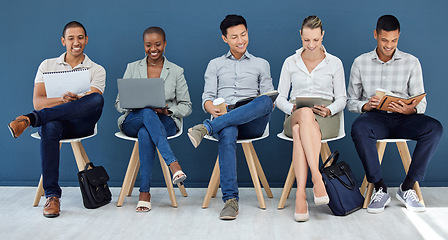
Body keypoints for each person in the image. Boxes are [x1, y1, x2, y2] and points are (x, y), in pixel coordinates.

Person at [7, 21, 106, 218]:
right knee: (51, 125)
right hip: (56, 124)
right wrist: (62, 99)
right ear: (63, 41)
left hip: (82, 124)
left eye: (80, 38)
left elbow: (92, 100)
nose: (75, 42)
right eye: (71, 38)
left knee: (96, 99)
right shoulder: (47, 65)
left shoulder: (97, 69)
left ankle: (30, 120)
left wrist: (76, 101)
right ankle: (52, 196)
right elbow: (38, 101)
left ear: (86, 40)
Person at [347, 15, 443, 213]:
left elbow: (421, 100)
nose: (389, 45)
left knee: (434, 128)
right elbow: (350, 102)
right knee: (359, 127)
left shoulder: (411, 62)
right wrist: (366, 105)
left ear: (398, 37)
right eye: (384, 40)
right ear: (375, 35)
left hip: (404, 118)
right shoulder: (360, 62)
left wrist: (412, 109)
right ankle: (379, 188)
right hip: (375, 118)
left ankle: (407, 187)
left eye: (394, 40)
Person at [187, 15, 274, 220]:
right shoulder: (214, 65)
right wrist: (212, 108)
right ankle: (230, 201)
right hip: (224, 117)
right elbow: (207, 99)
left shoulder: (261, 64)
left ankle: (206, 127)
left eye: (243, 34)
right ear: (225, 39)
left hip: (253, 121)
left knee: (265, 101)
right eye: (234, 37)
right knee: (227, 129)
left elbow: (270, 98)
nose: (240, 40)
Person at [276, 16, 346, 222]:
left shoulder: (335, 63)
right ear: (301, 35)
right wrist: (293, 107)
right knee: (304, 114)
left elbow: (342, 98)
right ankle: (317, 178)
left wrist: (330, 110)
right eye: (307, 40)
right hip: (296, 113)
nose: (312, 45)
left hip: (325, 118)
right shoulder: (290, 62)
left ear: (322, 35)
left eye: (316, 39)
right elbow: (279, 97)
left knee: (300, 131)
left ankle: (300, 196)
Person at [115, 27, 192, 212]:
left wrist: (168, 111)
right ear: (144, 45)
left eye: (157, 44)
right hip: (134, 118)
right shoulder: (132, 68)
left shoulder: (175, 71)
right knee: (147, 113)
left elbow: (187, 106)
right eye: (148, 45)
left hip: (165, 120)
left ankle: (144, 193)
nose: (153, 49)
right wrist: (134, 105)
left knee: (145, 132)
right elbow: (118, 103)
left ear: (164, 44)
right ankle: (174, 165)